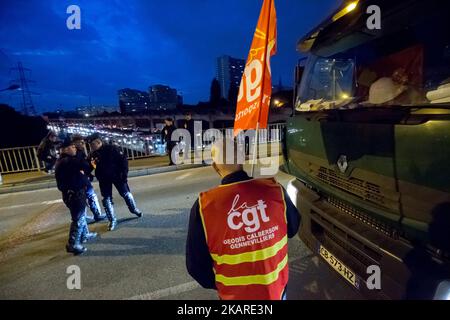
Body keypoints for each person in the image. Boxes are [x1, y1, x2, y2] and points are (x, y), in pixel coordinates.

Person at [186, 138, 300, 300]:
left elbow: (195, 267)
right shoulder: (275, 191)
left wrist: (223, 284)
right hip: (277, 290)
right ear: (243, 158)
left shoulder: (204, 207)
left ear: (215, 167)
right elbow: (293, 228)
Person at [88, 134, 142, 231]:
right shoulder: (93, 154)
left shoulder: (112, 149)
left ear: (98, 142)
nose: (91, 146)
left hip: (117, 176)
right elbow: (90, 166)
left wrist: (124, 174)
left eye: (92, 144)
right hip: (104, 178)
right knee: (106, 199)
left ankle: (134, 209)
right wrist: (88, 174)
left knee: (126, 194)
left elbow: (123, 160)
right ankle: (112, 220)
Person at [55, 138, 97, 255]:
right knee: (78, 219)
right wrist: (93, 163)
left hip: (70, 194)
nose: (75, 149)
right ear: (65, 149)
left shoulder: (62, 161)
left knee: (81, 216)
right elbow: (87, 167)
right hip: (75, 194)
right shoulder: (70, 161)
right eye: (72, 147)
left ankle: (84, 235)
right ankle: (73, 244)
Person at [71, 134, 106, 224]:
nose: (83, 144)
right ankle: (94, 215)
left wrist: (89, 170)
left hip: (81, 178)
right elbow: (81, 166)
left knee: (86, 197)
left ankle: (86, 216)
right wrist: (88, 170)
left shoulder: (78, 152)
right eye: (81, 142)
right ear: (75, 143)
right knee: (90, 196)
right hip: (81, 180)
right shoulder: (77, 153)